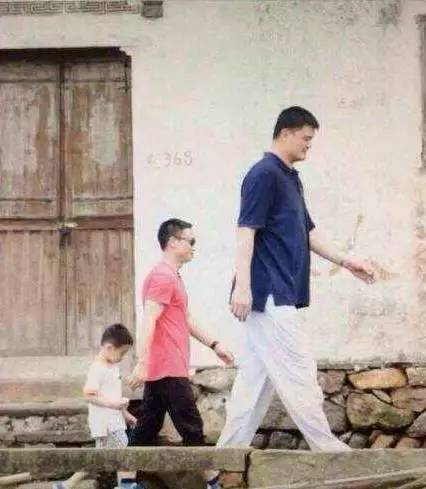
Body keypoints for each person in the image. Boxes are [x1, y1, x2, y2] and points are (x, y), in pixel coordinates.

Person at [209, 106, 377, 488]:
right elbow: (245, 231)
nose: (308, 146)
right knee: (300, 374)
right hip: (268, 295)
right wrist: (243, 286)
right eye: (305, 138)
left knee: (253, 387)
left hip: (277, 294)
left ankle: (219, 466)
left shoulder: (290, 179)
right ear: (285, 133)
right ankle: (333, 457)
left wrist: (347, 261)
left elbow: (308, 232)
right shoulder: (263, 174)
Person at [128, 218, 234, 488]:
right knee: (191, 427)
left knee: (146, 429)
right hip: (168, 368)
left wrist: (215, 345)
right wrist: (142, 362)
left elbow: (185, 318)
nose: (194, 246)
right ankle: (213, 482)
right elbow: (149, 319)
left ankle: (126, 482)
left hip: (165, 368)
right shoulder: (162, 277)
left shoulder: (171, 276)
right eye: (191, 240)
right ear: (173, 242)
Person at [53, 324, 140, 489]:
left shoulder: (112, 367)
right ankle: (126, 485)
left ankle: (67, 485)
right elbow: (88, 395)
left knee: (98, 459)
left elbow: (113, 396)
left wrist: (126, 414)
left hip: (114, 421)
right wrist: (114, 405)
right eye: (122, 353)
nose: (123, 357)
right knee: (125, 451)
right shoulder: (97, 369)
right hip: (106, 424)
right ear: (109, 348)